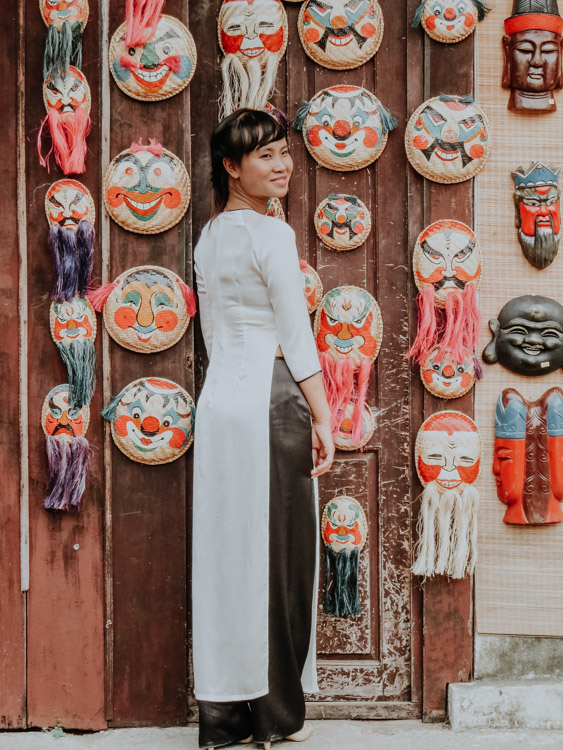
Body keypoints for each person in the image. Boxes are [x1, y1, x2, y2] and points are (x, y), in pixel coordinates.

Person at [192, 109, 335, 750]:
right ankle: (275, 716)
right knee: (279, 558)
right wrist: (324, 414)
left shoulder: (209, 236)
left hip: (219, 403)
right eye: (265, 156)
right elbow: (297, 337)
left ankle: (221, 718)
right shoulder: (271, 235)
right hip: (273, 401)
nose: (281, 165)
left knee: (226, 556)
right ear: (231, 166)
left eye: (283, 152)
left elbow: (214, 336)